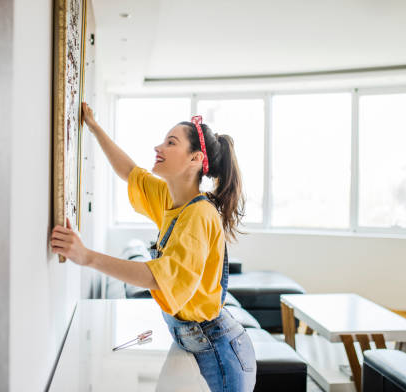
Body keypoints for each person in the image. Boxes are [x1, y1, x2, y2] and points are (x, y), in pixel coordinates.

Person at [51, 102, 256, 391]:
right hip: (193, 340)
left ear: (195, 158)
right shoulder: (170, 197)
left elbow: (156, 276)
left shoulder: (199, 214)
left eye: (170, 142)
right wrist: (94, 128)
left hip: (219, 354)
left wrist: (86, 257)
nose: (158, 147)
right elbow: (130, 171)